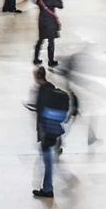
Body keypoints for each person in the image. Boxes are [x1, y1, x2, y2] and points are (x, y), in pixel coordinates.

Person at [27, 66, 71, 198]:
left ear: (36, 77)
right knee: (48, 159)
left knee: (47, 161)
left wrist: (41, 134)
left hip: (47, 131)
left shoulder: (41, 91)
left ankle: (47, 189)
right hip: (54, 128)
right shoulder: (50, 86)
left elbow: (41, 113)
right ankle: (47, 187)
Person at [34, 0, 63, 67]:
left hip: (41, 21)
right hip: (50, 22)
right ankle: (51, 61)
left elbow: (37, 2)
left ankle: (36, 59)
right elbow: (60, 6)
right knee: (51, 42)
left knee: (40, 40)